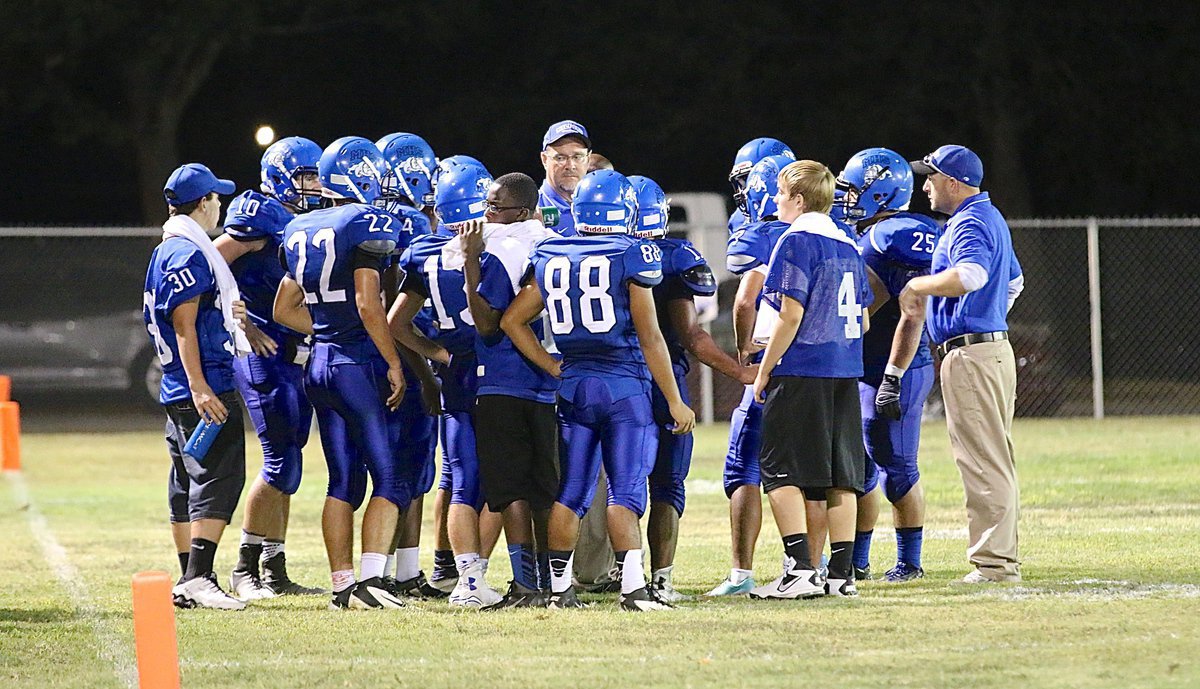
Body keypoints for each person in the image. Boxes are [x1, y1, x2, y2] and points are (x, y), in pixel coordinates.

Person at [501, 169, 696, 612]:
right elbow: (651, 337)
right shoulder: (631, 252)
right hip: (623, 386)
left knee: (571, 491)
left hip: (573, 386)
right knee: (624, 491)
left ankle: (559, 590)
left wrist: (551, 363)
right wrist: (673, 398)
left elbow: (513, 320)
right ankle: (633, 589)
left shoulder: (551, 250)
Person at [274, 136, 409, 610]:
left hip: (318, 363)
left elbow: (283, 308)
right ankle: (372, 583)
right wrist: (392, 359)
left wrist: (329, 327)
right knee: (389, 479)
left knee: (342, 482)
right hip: (354, 365)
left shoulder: (298, 227)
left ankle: (342, 586)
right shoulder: (364, 222)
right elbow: (368, 302)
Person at [628, 175, 755, 602]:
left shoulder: (591, 251)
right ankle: (659, 580)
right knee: (665, 484)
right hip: (660, 387)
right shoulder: (671, 257)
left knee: (611, 484)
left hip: (606, 381)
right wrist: (738, 371)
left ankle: (615, 574)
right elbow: (691, 336)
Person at [749, 160, 872, 600]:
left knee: (779, 471)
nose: (777, 201)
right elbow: (863, 319)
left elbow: (791, 312)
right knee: (840, 477)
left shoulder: (796, 240)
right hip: (845, 371)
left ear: (799, 200)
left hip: (803, 369)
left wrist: (764, 369)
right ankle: (841, 575)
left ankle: (800, 571)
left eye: (782, 194)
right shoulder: (848, 243)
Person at [903, 144, 1024, 583]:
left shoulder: (971, 220)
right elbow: (1014, 282)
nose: (925, 186)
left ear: (953, 182)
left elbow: (971, 276)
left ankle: (994, 565)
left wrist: (918, 285)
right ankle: (999, 558)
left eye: (931, 177)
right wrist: (989, 320)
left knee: (982, 461)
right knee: (992, 457)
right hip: (988, 349)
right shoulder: (986, 216)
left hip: (973, 354)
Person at [388, 160, 506, 608]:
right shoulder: (494, 250)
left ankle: (466, 580)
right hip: (495, 370)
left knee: (460, 481)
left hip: (455, 373)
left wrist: (439, 355)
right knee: (499, 478)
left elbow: (396, 323)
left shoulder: (422, 251)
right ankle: (485, 577)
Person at [213, 136, 326, 600]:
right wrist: (235, 316)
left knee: (291, 461)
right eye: (306, 176)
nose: (315, 185)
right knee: (280, 465)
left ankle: (273, 568)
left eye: (318, 176)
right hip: (262, 355)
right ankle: (244, 567)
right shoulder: (259, 212)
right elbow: (209, 262)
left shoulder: (306, 217)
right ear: (281, 176)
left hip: (293, 354)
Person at [143, 162, 249, 610]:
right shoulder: (187, 253)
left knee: (187, 480)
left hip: (178, 383)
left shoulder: (169, 247)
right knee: (219, 476)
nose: (219, 204)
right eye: (215, 198)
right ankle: (199, 578)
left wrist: (230, 319)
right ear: (202, 203)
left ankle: (191, 576)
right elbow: (184, 324)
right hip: (199, 383)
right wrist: (201, 386)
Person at [832, 148, 940, 582]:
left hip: (901, 367)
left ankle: (909, 561)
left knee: (898, 468)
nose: (846, 198)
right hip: (867, 366)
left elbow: (884, 307)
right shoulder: (869, 233)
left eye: (853, 190)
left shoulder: (897, 234)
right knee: (861, 469)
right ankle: (856, 560)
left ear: (880, 192)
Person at [460, 172, 561, 607]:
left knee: (511, 489)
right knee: (543, 489)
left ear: (519, 211)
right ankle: (550, 582)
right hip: (548, 386)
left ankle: (524, 585)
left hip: (505, 379)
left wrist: (469, 261)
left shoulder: (502, 247)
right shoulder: (555, 240)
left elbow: (487, 324)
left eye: (494, 206)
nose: (486, 214)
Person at [707, 154, 794, 596]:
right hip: (822, 365)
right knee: (815, 471)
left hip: (770, 364)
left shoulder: (760, 234)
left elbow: (744, 301)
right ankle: (817, 568)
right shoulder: (830, 229)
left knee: (746, 468)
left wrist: (746, 351)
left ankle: (742, 573)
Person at [375, 132, 446, 597]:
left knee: (407, 471)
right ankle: (390, 573)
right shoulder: (411, 227)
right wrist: (427, 368)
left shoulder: (375, 219)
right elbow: (396, 312)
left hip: (374, 357)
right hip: (402, 357)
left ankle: (399, 571)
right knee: (407, 469)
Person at [726, 137, 795, 234]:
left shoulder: (811, 209)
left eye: (749, 178)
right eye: (742, 181)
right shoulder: (739, 219)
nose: (745, 189)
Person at [538, 120, 592, 237]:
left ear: (588, 159)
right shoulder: (530, 210)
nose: (570, 166)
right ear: (544, 160)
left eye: (578, 157)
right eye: (560, 158)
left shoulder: (602, 207)